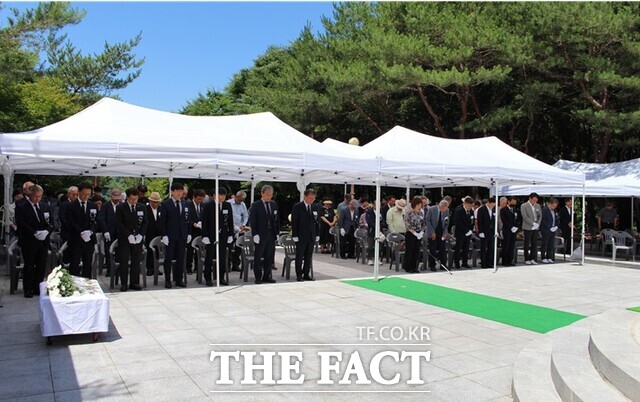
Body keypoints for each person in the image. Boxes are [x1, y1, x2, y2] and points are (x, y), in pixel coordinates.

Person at [15, 185, 51, 298]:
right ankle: (28, 288)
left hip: (43, 241)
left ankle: (38, 287)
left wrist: (47, 231)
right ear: (29, 195)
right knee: (29, 265)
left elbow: (50, 221)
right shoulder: (21, 207)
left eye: (39, 196)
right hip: (29, 241)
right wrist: (34, 232)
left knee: (41, 265)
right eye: (35, 196)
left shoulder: (44, 206)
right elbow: (21, 223)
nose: (37, 199)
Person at [158, 182, 191, 288]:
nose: (180, 194)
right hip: (170, 235)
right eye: (178, 192)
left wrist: (189, 232)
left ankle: (179, 279)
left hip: (182, 235)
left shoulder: (185, 204)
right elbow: (162, 221)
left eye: (181, 192)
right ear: (172, 191)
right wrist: (164, 235)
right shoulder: (166, 204)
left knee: (180, 258)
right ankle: (168, 280)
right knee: (169, 258)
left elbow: (188, 219)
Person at [115, 188, 147, 291]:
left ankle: (134, 282)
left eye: (136, 199)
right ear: (127, 198)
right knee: (124, 261)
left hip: (137, 239)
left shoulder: (141, 207)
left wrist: (141, 235)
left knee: (136, 261)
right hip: (125, 239)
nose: (134, 201)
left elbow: (145, 222)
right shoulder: (121, 207)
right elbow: (119, 223)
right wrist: (128, 235)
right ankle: (124, 283)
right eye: (132, 199)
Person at [202, 187, 234, 286]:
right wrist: (205, 236)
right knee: (209, 257)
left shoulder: (227, 205)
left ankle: (221, 277)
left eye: (223, 195)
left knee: (222, 258)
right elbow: (204, 222)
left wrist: (231, 234)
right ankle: (208, 278)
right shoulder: (208, 206)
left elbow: (230, 221)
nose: (221, 197)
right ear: (214, 196)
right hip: (211, 235)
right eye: (219, 195)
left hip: (223, 235)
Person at [65, 183, 98, 278]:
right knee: (74, 264)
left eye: (88, 194)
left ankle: (87, 284)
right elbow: (70, 222)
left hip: (89, 240)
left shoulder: (92, 206)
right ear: (79, 192)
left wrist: (90, 231)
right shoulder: (70, 206)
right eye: (84, 194)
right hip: (76, 239)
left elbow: (96, 221)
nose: (85, 196)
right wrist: (81, 232)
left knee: (87, 264)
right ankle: (74, 285)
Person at [249, 185, 279, 284]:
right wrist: (255, 234)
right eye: (267, 195)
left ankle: (267, 275)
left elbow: (277, 219)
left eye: (270, 195)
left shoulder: (274, 205)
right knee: (258, 256)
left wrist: (277, 233)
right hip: (260, 234)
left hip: (271, 234)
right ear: (262, 194)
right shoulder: (256, 205)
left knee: (269, 256)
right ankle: (258, 276)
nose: (269, 197)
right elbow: (252, 221)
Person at [291, 189, 319, 281]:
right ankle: (299, 275)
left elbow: (317, 222)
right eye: (310, 198)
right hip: (301, 236)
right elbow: (294, 222)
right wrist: (295, 235)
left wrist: (317, 234)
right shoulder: (298, 206)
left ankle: (306, 273)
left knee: (308, 256)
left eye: (313, 199)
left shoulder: (314, 207)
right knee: (299, 256)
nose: (312, 200)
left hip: (311, 235)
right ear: (305, 197)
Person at [97, 188, 121, 277]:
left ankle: (118, 269)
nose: (116, 200)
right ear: (111, 196)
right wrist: (105, 231)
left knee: (119, 251)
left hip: (119, 232)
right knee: (108, 251)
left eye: (118, 198)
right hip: (109, 231)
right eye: (115, 198)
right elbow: (101, 218)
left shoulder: (121, 205)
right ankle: (109, 269)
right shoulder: (105, 206)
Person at [425, 200, 450, 271]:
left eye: (446, 209)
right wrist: (432, 232)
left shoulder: (447, 211)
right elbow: (427, 220)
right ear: (440, 206)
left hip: (441, 232)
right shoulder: (432, 209)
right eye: (443, 209)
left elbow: (446, 223)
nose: (444, 211)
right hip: (432, 231)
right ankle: (432, 265)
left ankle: (443, 265)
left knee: (443, 249)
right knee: (432, 249)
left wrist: (445, 232)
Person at [402, 197, 425, 273]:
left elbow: (423, 223)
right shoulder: (408, 213)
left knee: (416, 251)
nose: (420, 206)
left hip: (419, 233)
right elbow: (407, 225)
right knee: (410, 251)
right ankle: (408, 267)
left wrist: (421, 232)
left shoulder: (421, 212)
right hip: (410, 233)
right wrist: (414, 233)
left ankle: (415, 266)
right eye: (419, 204)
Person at [186, 189, 205, 274]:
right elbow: (186, 218)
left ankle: (198, 267)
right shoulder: (188, 205)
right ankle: (188, 267)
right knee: (190, 250)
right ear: (194, 197)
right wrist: (193, 223)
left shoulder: (203, 206)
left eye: (201, 199)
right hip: (191, 230)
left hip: (200, 230)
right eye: (198, 199)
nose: (199, 201)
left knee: (200, 249)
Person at [228, 190, 249, 271]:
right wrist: (234, 226)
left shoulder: (243, 204)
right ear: (236, 197)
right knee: (229, 247)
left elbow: (246, 216)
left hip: (240, 229)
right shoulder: (229, 203)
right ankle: (228, 264)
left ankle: (236, 265)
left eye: (242, 200)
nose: (240, 202)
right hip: (231, 228)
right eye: (239, 200)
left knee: (238, 247)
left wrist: (243, 224)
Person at [58, 185, 79, 264]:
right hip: (67, 232)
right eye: (73, 195)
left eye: (77, 194)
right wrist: (72, 228)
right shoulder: (64, 204)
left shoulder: (78, 204)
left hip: (77, 233)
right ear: (69, 194)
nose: (75, 196)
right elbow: (63, 219)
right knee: (67, 252)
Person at [521, 192, 542, 265]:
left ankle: (533, 258)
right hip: (528, 226)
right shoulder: (524, 205)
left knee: (534, 243)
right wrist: (533, 223)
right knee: (527, 243)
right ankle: (527, 258)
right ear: (529, 198)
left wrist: (537, 224)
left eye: (536, 200)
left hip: (536, 227)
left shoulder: (538, 205)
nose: (534, 202)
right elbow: (525, 216)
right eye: (533, 200)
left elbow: (540, 215)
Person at [454, 197, 474, 269]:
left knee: (466, 248)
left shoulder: (471, 211)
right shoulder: (459, 210)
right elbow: (458, 222)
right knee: (458, 248)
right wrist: (466, 230)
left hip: (468, 232)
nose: (470, 207)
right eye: (469, 205)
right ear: (465, 204)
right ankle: (457, 263)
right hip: (460, 232)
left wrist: (470, 230)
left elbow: (472, 221)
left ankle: (464, 263)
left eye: (471, 206)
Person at [145, 192, 162, 276]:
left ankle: (156, 267)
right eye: (153, 202)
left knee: (157, 251)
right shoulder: (146, 208)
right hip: (149, 232)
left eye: (157, 202)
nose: (155, 204)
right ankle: (149, 268)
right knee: (149, 250)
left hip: (158, 233)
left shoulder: (161, 209)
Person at [477, 198, 496, 268]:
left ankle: (489, 262)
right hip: (484, 231)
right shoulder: (482, 209)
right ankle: (483, 263)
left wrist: (495, 230)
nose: (493, 206)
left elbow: (493, 220)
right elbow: (479, 221)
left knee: (491, 247)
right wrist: (481, 231)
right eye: (492, 205)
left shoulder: (492, 210)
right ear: (489, 203)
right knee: (483, 248)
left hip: (491, 231)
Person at [500, 197, 519, 267]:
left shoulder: (516, 210)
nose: (514, 203)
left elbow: (518, 219)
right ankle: (504, 261)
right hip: (507, 230)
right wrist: (511, 227)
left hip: (514, 231)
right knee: (506, 246)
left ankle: (510, 260)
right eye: (513, 202)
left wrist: (516, 227)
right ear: (509, 201)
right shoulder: (503, 210)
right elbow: (504, 220)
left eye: (515, 202)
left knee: (511, 246)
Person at [540, 198, 559, 264]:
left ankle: (549, 257)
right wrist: (549, 227)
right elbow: (544, 220)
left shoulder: (555, 211)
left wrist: (556, 226)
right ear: (550, 204)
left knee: (551, 244)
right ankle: (543, 257)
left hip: (553, 229)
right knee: (544, 244)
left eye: (555, 206)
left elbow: (557, 218)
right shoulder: (544, 210)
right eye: (553, 205)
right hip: (546, 229)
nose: (554, 207)